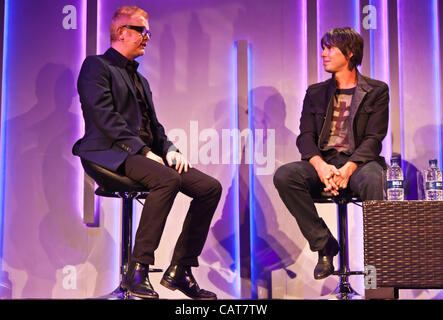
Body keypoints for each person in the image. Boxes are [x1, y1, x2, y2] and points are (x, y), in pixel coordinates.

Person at [73, 6, 222, 300]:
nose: (147, 37)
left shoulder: (141, 80)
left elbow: (155, 128)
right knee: (167, 180)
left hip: (143, 154)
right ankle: (138, 269)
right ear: (121, 32)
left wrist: (169, 149)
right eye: (142, 31)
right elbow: (105, 119)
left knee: (209, 188)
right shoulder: (96, 66)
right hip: (108, 153)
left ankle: (180, 270)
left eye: (148, 31)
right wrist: (142, 151)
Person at [273, 27, 389, 280]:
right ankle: (324, 245)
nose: (323, 54)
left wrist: (349, 168)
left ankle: (378, 269)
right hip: (325, 162)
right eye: (323, 48)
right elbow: (305, 137)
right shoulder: (315, 92)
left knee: (374, 178)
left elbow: (374, 138)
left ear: (348, 54)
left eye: (330, 48)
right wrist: (321, 166)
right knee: (285, 175)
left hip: (360, 163)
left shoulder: (377, 90)